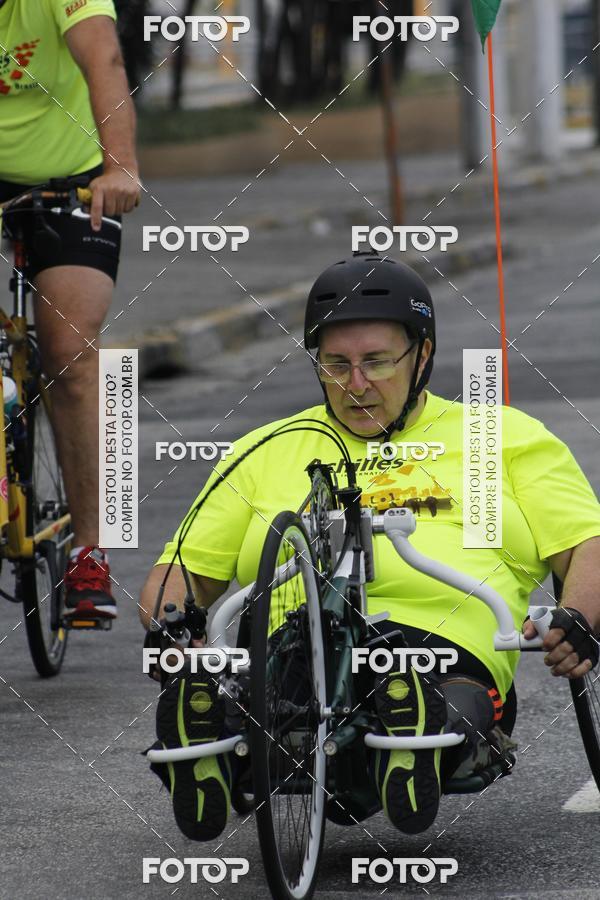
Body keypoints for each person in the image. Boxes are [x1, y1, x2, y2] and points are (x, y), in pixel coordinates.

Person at [140, 252, 600, 840]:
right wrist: (173, 627)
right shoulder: (265, 448)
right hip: (296, 642)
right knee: (274, 687)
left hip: (443, 642)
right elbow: (181, 570)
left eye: (377, 362)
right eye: (336, 364)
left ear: (422, 356)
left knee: (431, 683)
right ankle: (213, 734)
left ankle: (406, 729)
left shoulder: (501, 437)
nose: (355, 384)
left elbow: (586, 544)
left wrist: (579, 616)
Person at [0, 0, 140, 621]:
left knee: (71, 356)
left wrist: (120, 167)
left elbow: (104, 59)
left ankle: (90, 551)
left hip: (70, 182)